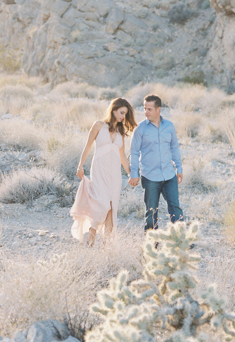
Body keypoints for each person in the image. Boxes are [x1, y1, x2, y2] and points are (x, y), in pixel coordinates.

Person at [70, 97, 136, 246]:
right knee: (102, 204)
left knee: (112, 208)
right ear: (113, 110)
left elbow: (123, 156)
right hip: (99, 170)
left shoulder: (121, 131)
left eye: (125, 114)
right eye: (121, 112)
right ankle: (91, 236)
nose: (122, 116)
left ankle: (107, 243)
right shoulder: (99, 125)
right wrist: (80, 166)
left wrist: (132, 173)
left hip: (115, 174)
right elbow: (87, 146)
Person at [128, 94, 184, 230]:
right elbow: (134, 152)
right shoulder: (140, 129)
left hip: (169, 175)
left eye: (149, 109)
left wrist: (179, 168)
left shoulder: (169, 126)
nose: (145, 112)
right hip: (150, 177)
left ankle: (181, 240)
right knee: (151, 211)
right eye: (144, 108)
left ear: (158, 109)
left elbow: (174, 148)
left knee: (175, 208)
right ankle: (152, 243)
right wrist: (133, 173)